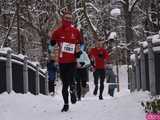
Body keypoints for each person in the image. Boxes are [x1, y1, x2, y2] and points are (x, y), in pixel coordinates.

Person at [50, 12, 82, 112]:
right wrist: (52, 42)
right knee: (65, 85)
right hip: (62, 61)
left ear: (71, 20)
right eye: (66, 18)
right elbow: (51, 44)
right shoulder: (58, 32)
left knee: (71, 79)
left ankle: (73, 91)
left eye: (70, 18)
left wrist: (78, 52)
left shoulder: (76, 31)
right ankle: (66, 104)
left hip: (72, 61)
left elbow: (80, 44)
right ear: (63, 19)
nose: (68, 20)